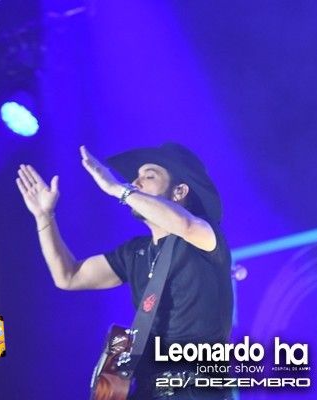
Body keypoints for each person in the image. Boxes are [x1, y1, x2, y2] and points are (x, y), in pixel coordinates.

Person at [16, 143, 233, 399]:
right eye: (135, 177)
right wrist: (44, 217)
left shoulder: (204, 236)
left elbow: (185, 225)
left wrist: (117, 188)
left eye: (149, 176)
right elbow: (68, 277)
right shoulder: (134, 252)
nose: (135, 182)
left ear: (179, 191)